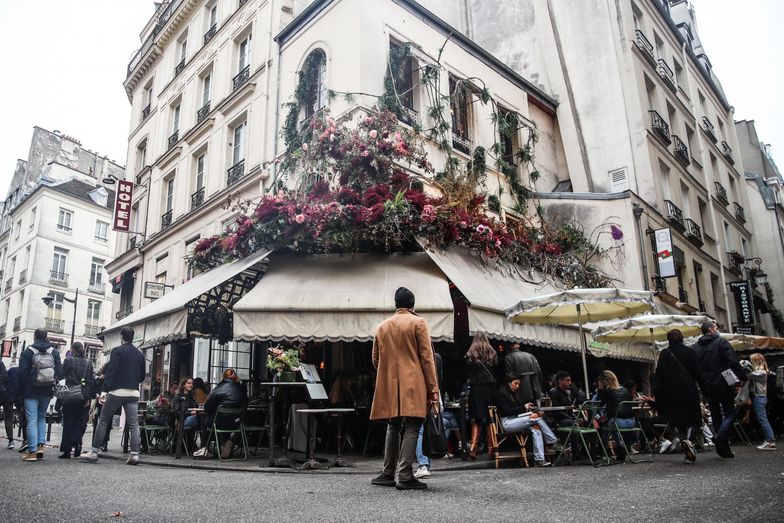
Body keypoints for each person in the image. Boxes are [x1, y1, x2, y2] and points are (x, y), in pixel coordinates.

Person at [369, 287, 438, 491]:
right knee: (413, 426)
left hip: (391, 384)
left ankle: (387, 473)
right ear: (412, 305)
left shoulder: (382, 327)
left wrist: (389, 373)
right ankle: (405, 475)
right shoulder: (418, 322)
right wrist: (433, 387)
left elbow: (375, 360)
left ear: (396, 305)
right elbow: (427, 358)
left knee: (393, 425)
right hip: (414, 383)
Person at [80, 326, 145, 465]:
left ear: (121, 337)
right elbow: (141, 376)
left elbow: (111, 371)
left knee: (103, 420)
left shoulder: (117, 351)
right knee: (133, 424)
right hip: (133, 392)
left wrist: (104, 391)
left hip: (117, 392)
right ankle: (134, 455)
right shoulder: (140, 354)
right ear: (133, 337)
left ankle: (94, 451)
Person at [693, 321, 747, 458]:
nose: (717, 330)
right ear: (711, 330)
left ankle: (723, 449)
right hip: (722, 382)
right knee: (730, 413)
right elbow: (733, 361)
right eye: (716, 328)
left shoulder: (696, 347)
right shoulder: (721, 342)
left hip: (707, 384)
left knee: (716, 414)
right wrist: (742, 377)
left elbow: (695, 368)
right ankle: (720, 436)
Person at [653, 329, 704, 463]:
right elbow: (698, 373)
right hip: (689, 392)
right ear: (682, 338)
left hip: (672, 394)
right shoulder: (689, 352)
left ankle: (688, 452)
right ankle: (689, 441)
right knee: (695, 421)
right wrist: (705, 389)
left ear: (668, 340)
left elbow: (659, 376)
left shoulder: (664, 353)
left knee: (680, 423)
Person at [492, 377, 558, 467]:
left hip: (516, 420)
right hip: (507, 423)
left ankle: (539, 460)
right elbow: (506, 411)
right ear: (509, 383)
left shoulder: (513, 393)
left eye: (518, 384)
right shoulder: (501, 393)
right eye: (516, 383)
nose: (517, 386)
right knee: (536, 417)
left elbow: (518, 409)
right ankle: (552, 441)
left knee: (536, 428)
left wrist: (527, 408)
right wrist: (524, 407)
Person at [19, 328, 62, 462]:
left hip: (30, 390)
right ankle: (41, 446)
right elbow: (60, 371)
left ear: (34, 337)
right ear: (46, 337)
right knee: (41, 417)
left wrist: (21, 390)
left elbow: (22, 373)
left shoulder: (28, 352)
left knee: (31, 419)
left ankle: (32, 451)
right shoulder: (54, 352)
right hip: (47, 390)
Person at [465, 331, 498, 461]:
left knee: (476, 420)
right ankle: (491, 450)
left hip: (476, 390)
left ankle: (473, 449)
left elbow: (466, 373)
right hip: (490, 389)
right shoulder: (493, 354)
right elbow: (497, 372)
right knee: (490, 420)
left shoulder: (469, 355)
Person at [58, 342, 95, 459]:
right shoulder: (89, 362)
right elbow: (91, 380)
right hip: (83, 395)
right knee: (79, 422)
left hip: (70, 394)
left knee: (68, 422)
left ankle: (67, 450)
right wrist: (89, 397)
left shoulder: (69, 360)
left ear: (73, 350)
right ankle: (78, 444)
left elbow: (61, 375)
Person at [203, 368, 248, 458]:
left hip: (219, 422)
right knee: (225, 419)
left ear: (223, 377)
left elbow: (207, 408)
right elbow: (246, 405)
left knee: (204, 421)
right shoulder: (242, 389)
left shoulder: (218, 389)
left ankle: (205, 449)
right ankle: (226, 443)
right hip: (236, 423)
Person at [594, 370, 634, 461]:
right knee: (612, 425)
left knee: (605, 425)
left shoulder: (607, 390)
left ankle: (603, 449)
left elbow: (598, 404)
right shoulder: (624, 389)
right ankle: (621, 450)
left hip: (618, 422)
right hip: (631, 422)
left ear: (604, 381)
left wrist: (600, 389)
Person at [747, 353, 776, 451]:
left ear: (756, 361)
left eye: (751, 360)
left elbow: (749, 375)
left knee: (763, 419)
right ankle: (769, 440)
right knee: (763, 419)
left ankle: (770, 441)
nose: (750, 362)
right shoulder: (761, 371)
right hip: (759, 397)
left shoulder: (761, 372)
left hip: (759, 397)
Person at [5, 365, 28, 451]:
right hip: (20, 397)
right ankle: (25, 440)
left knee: (8, 418)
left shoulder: (11, 370)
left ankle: (11, 441)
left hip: (8, 396)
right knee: (23, 418)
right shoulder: (25, 371)